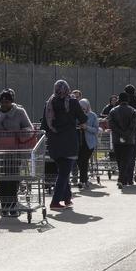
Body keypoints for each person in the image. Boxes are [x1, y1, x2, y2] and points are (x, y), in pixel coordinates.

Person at [0, 89, 33, 217]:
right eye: (2, 101)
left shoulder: (20, 112)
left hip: (15, 152)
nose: (5, 104)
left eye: (7, 101)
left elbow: (29, 128)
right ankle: (4, 205)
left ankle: (13, 205)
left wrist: (19, 133)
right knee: (2, 178)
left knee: (13, 178)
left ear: (12, 101)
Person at [41, 80, 87, 210]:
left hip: (54, 142)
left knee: (63, 171)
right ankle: (55, 202)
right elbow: (83, 118)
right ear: (67, 89)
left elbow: (45, 124)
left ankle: (67, 199)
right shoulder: (72, 102)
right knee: (64, 173)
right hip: (69, 142)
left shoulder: (49, 103)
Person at [108, 92, 136, 188]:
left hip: (117, 139)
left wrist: (120, 133)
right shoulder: (133, 111)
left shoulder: (112, 111)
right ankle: (122, 179)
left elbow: (111, 124)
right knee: (126, 159)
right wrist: (126, 134)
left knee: (119, 160)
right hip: (129, 140)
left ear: (119, 100)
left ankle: (122, 179)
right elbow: (133, 126)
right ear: (127, 100)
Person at [77, 99, 99, 189]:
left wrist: (86, 127)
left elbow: (96, 130)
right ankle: (84, 179)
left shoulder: (92, 116)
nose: (83, 110)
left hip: (89, 143)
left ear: (87, 107)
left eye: (84, 108)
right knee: (79, 161)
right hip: (79, 142)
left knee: (84, 161)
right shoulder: (76, 115)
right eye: (80, 108)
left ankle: (82, 181)